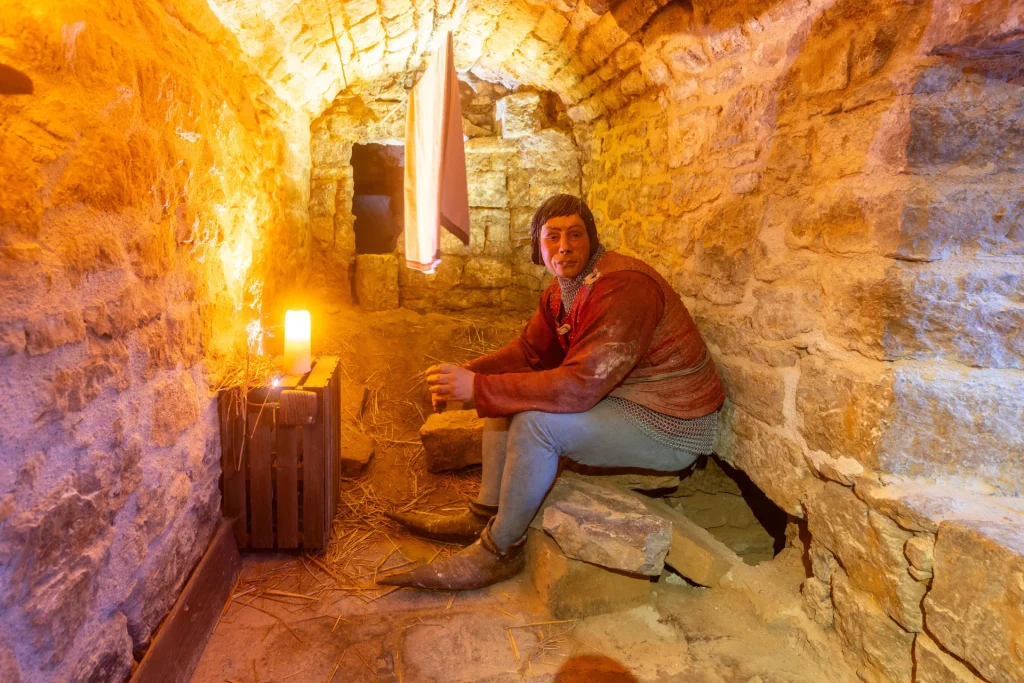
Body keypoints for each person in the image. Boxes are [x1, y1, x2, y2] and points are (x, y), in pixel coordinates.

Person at [378, 194, 725, 590]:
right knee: (507, 398)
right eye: (553, 236)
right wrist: (472, 374)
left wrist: (478, 388)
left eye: (575, 235)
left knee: (535, 425)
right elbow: (529, 353)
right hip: (621, 400)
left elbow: (581, 387)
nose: (564, 247)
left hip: (669, 424)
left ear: (591, 240)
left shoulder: (623, 286)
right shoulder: (561, 292)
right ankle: (486, 514)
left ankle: (500, 551)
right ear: (537, 245)